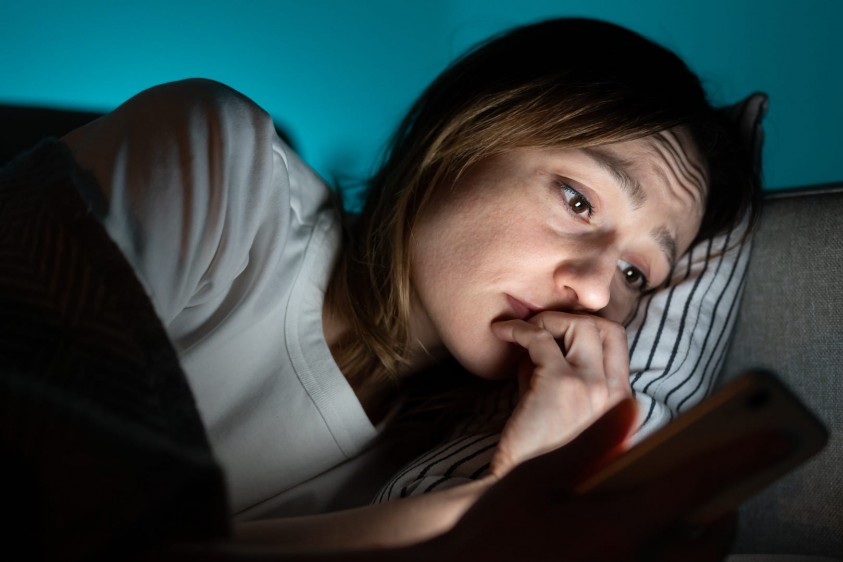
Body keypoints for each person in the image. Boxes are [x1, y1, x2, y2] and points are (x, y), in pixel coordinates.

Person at [18, 15, 764, 561]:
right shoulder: (221, 168)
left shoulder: (432, 463)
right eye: (578, 201)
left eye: (639, 274)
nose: (598, 293)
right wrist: (489, 515)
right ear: (468, 134)